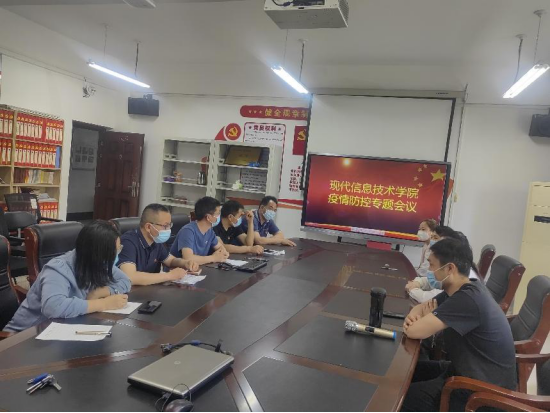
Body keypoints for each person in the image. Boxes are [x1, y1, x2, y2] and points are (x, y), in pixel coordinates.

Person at [401, 238, 517, 412]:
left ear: (450, 268)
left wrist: (417, 322)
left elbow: (414, 331)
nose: (429, 271)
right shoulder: (462, 288)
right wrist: (415, 318)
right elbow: (419, 308)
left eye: (432, 265)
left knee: (401, 397)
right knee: (407, 372)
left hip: (481, 393)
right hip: (464, 372)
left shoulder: (467, 299)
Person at [3, 221, 132, 333]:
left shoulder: (99, 263)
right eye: (115, 251)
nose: (117, 254)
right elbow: (53, 307)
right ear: (98, 254)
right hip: (25, 335)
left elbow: (125, 281)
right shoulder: (58, 269)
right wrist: (102, 304)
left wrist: (101, 292)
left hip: (61, 328)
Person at [118, 204, 200, 286]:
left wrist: (185, 263)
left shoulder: (155, 240)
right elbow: (130, 277)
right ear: (148, 227)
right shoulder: (128, 242)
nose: (168, 229)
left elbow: (170, 260)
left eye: (169, 225)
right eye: (165, 226)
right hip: (130, 291)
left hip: (150, 289)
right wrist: (169, 276)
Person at [406, 226, 480, 303]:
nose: (432, 241)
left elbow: (431, 299)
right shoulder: (455, 266)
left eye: (436, 238)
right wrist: (418, 283)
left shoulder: (463, 281)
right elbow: (432, 281)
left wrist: (412, 289)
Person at [170, 197, 229, 265]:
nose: (220, 216)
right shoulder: (188, 231)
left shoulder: (209, 231)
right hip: (178, 269)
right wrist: (213, 258)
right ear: (208, 217)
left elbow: (220, 247)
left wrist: (223, 254)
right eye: (218, 213)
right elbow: (188, 259)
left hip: (197, 268)